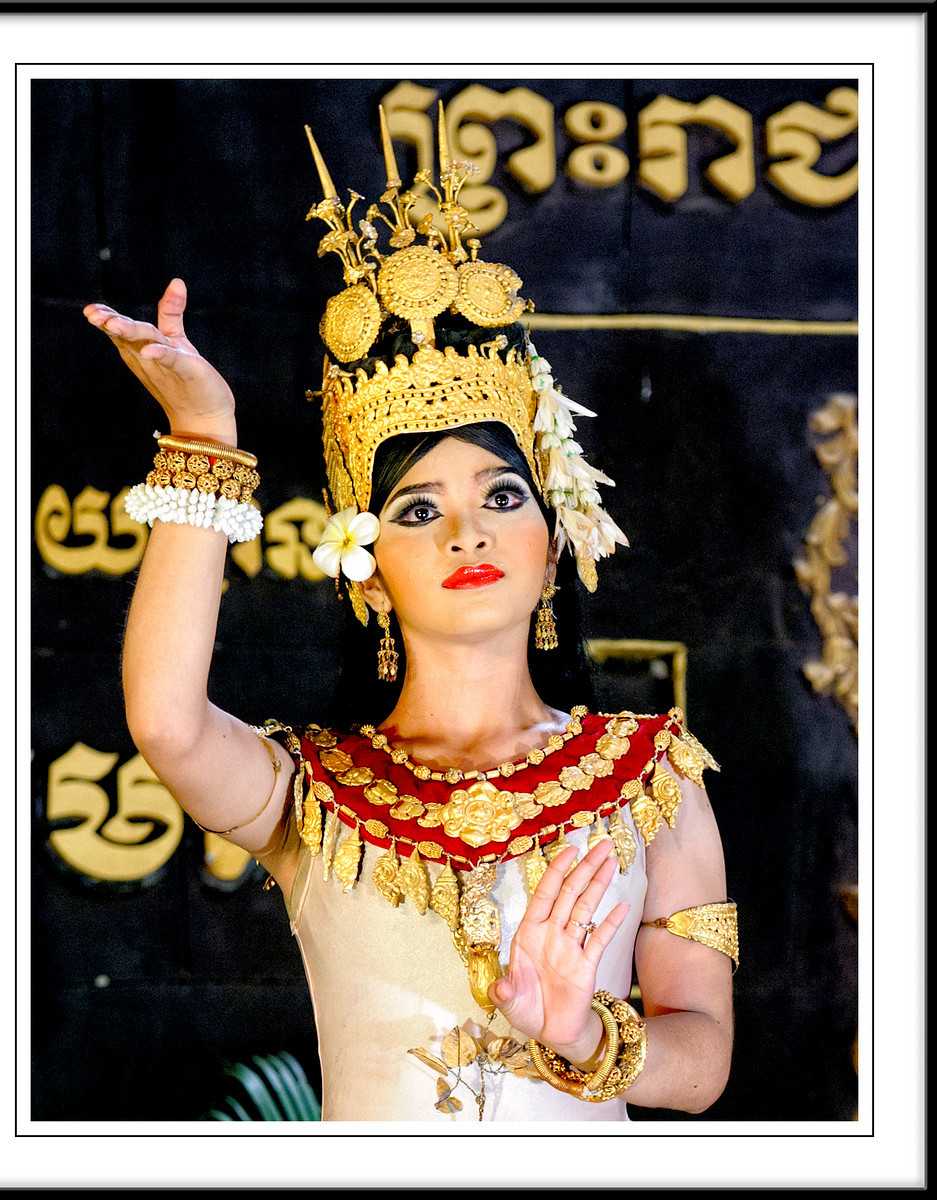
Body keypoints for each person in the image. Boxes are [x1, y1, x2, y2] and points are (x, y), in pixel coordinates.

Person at [82, 104, 736, 1122]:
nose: (465, 535)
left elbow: (701, 1062)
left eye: (501, 496)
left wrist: (581, 1033)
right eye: (417, 510)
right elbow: (166, 721)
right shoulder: (314, 796)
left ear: (553, 539)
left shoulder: (651, 777)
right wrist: (205, 433)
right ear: (368, 574)